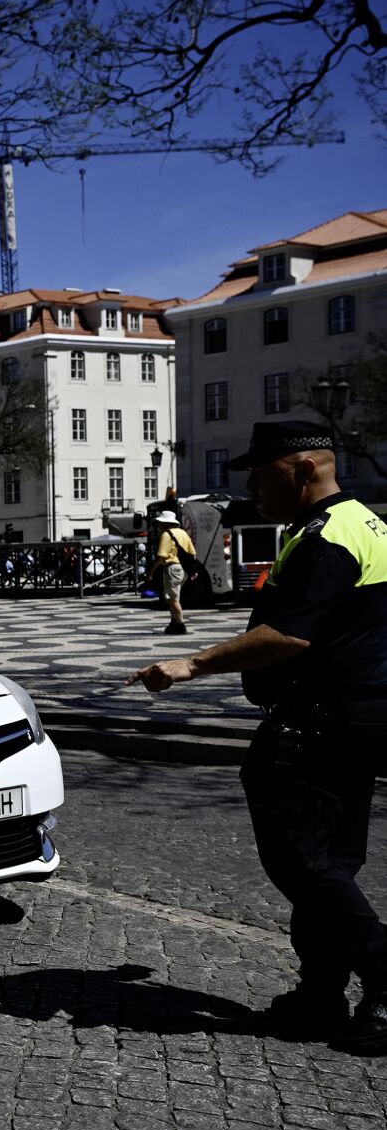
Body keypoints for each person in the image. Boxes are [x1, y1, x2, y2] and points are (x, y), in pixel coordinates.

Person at [128, 420, 387, 1054]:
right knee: (330, 865)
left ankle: (381, 977)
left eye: (261, 472)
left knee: (305, 865)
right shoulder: (371, 525)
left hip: (316, 723)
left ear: (304, 469)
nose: (249, 484)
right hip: (362, 717)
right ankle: (320, 997)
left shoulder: (327, 538)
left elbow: (289, 635)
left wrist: (192, 664)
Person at [149, 509, 195, 635]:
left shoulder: (166, 535)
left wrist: (150, 573)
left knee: (173, 599)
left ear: (165, 523)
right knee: (172, 598)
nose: (158, 526)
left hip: (172, 568)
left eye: (159, 523)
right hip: (182, 569)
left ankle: (180, 624)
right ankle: (174, 622)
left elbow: (161, 557)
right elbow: (192, 553)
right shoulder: (183, 533)